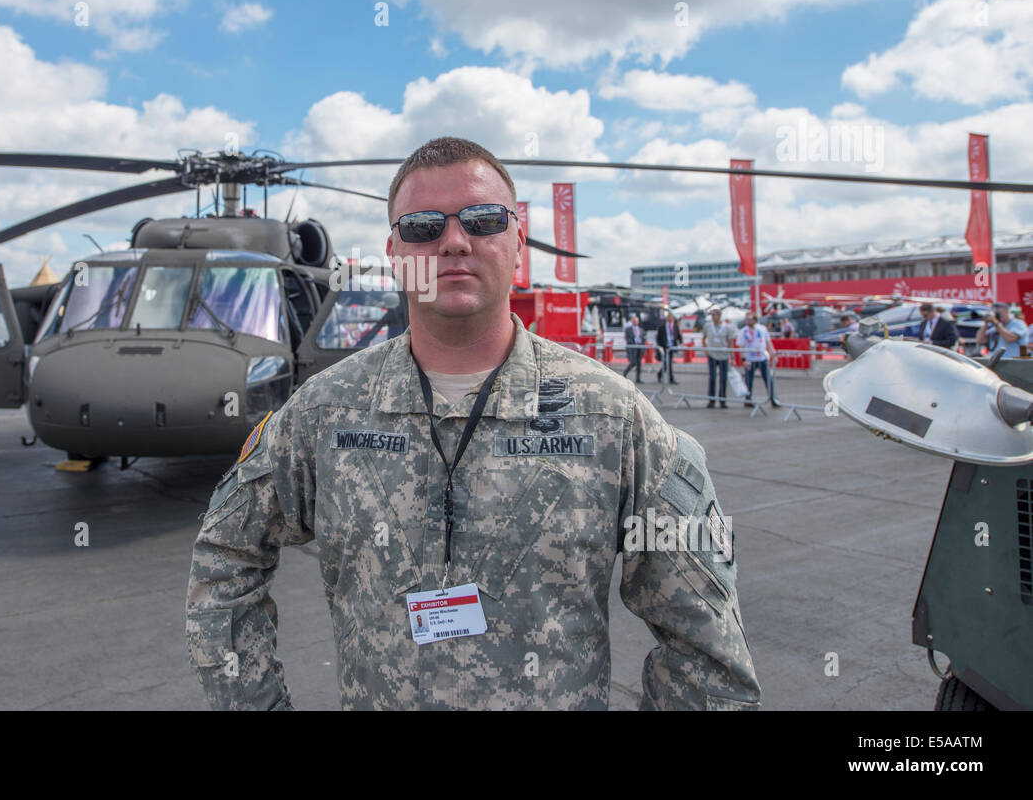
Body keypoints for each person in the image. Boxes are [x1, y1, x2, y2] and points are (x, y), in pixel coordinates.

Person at [185, 136, 761, 710]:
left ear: (517, 240)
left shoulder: (614, 416)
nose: (455, 241)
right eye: (422, 226)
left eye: (483, 220)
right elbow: (224, 559)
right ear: (394, 250)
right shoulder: (323, 412)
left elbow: (706, 649)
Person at [735, 312, 778, 408]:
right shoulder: (743, 331)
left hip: (762, 358)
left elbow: (768, 342)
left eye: (750, 319)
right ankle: (748, 399)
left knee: (768, 379)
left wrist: (773, 353)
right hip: (750, 358)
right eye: (746, 319)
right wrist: (743, 359)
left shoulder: (762, 329)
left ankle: (773, 398)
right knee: (749, 380)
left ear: (755, 320)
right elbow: (740, 346)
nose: (748, 321)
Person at [701, 307, 734, 409]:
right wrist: (706, 350)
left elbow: (730, 341)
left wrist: (731, 354)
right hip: (712, 354)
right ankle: (711, 399)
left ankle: (723, 399)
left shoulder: (727, 327)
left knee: (723, 378)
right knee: (712, 377)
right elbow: (704, 338)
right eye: (712, 315)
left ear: (719, 316)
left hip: (723, 355)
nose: (713, 317)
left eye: (715, 315)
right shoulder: (708, 326)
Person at [654, 310, 682, 384]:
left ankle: (660, 373)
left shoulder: (675, 326)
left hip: (672, 347)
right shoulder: (662, 327)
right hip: (664, 347)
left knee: (667, 363)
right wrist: (660, 347)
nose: (670, 319)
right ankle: (671, 379)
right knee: (668, 363)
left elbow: (678, 336)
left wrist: (680, 343)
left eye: (671, 317)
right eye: (669, 317)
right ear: (667, 318)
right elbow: (658, 338)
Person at [621, 313, 644, 382]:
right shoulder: (628, 329)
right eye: (634, 321)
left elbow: (643, 338)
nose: (636, 322)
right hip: (633, 348)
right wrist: (633, 343)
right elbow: (627, 338)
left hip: (640, 348)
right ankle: (625, 372)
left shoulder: (641, 329)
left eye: (637, 321)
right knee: (633, 362)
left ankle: (638, 378)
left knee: (639, 363)